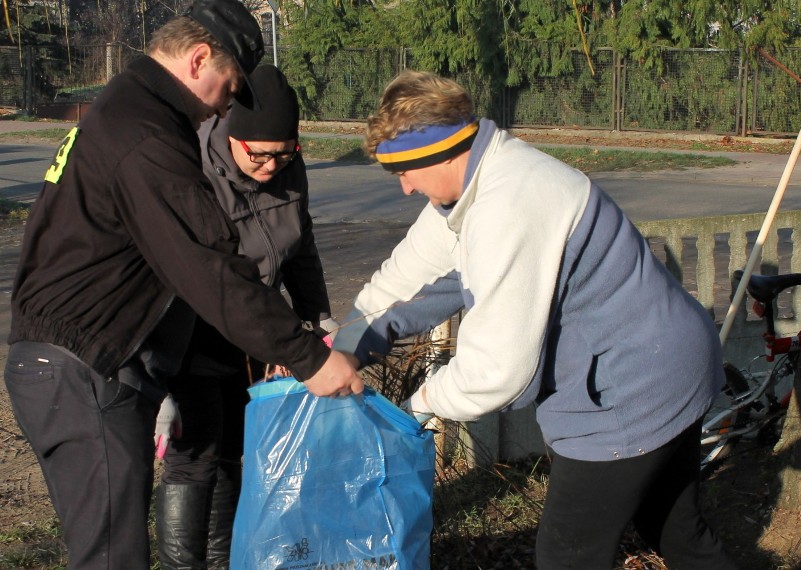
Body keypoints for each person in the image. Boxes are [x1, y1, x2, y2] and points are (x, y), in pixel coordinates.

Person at [3, 2, 362, 568]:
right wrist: (307, 358)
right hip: (83, 366)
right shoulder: (145, 136)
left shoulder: (122, 112)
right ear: (199, 60)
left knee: (112, 548)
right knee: (113, 556)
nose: (225, 105)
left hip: (76, 363)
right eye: (229, 88)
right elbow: (207, 264)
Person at [332, 70, 737, 570]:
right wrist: (348, 340)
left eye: (405, 172)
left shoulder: (508, 204)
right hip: (672, 363)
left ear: (437, 153)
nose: (406, 189)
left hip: (631, 388)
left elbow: (496, 369)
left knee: (567, 557)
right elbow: (412, 273)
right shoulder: (478, 183)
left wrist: (415, 409)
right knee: (675, 529)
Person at [154, 64, 339, 569]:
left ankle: (222, 562)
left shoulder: (287, 167)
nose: (272, 166)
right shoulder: (191, 163)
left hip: (252, 326)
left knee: (234, 447)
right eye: (260, 154)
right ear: (233, 137)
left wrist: (315, 324)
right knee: (194, 453)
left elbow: (301, 251)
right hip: (190, 322)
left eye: (285, 154)